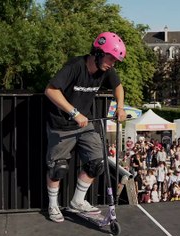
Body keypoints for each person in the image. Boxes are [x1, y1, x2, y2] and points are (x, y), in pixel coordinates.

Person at [44, 32, 127, 223]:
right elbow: (50, 90)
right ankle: (53, 205)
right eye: (110, 58)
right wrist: (74, 113)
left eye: (115, 60)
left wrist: (120, 107)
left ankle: (77, 201)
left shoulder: (106, 70)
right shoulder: (75, 67)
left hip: (85, 124)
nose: (112, 63)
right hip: (62, 125)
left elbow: (119, 86)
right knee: (58, 168)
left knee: (97, 162)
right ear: (97, 52)